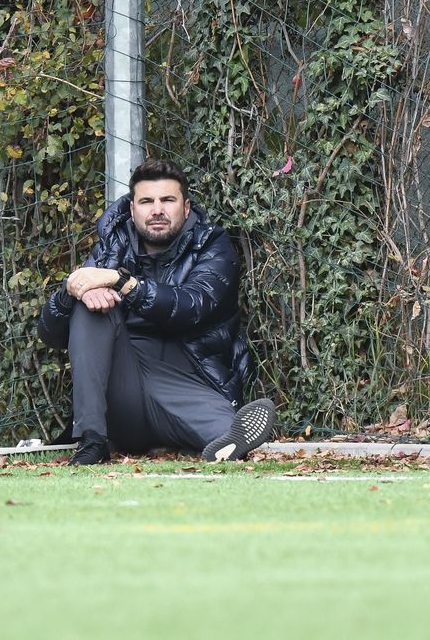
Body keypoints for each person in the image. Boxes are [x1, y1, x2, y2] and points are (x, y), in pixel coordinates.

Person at [37, 159, 276, 465]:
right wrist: (69, 293)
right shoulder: (112, 247)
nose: (157, 210)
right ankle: (93, 441)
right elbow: (51, 335)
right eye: (147, 201)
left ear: (186, 208)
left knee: (224, 427)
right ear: (132, 209)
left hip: (188, 383)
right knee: (89, 304)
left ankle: (222, 437)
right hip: (126, 391)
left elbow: (191, 305)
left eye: (168, 200)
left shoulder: (212, 245)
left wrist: (124, 283)